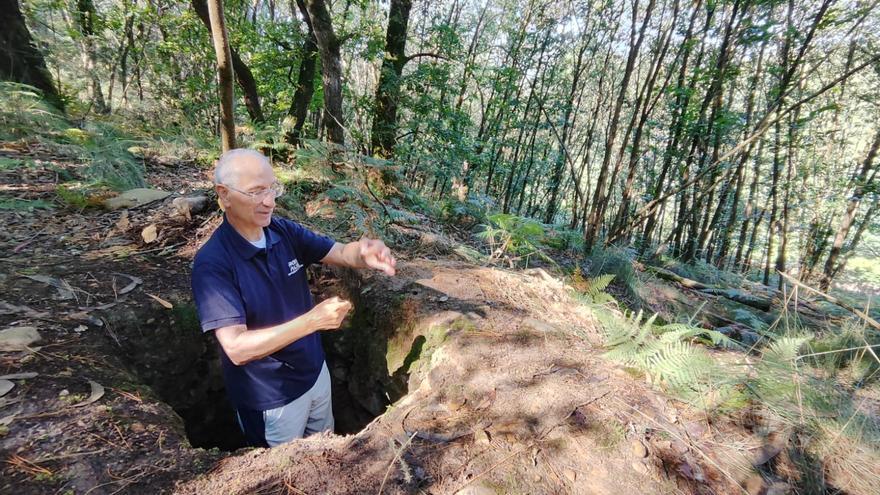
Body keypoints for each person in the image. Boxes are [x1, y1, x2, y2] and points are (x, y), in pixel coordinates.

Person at [191, 148, 396, 447]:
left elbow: (338, 252)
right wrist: (312, 322)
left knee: (325, 453)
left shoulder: (280, 230)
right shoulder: (214, 263)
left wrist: (363, 253)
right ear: (224, 195)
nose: (270, 201)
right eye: (256, 191)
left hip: (315, 374)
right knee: (284, 472)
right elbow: (236, 348)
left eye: (273, 188)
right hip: (271, 400)